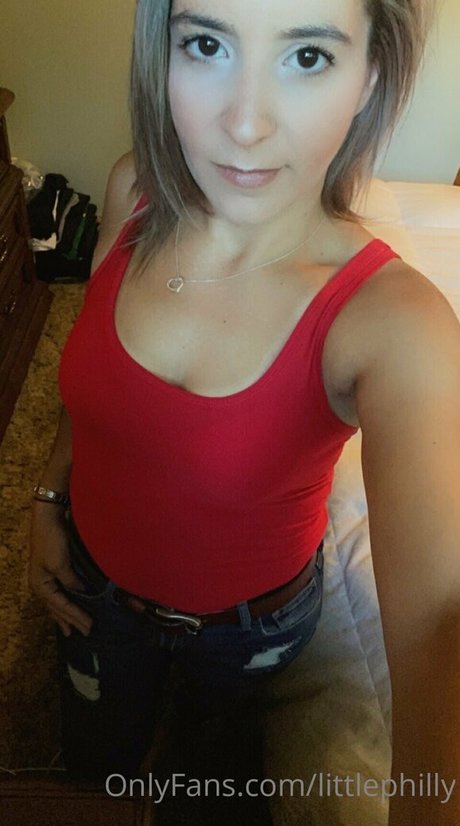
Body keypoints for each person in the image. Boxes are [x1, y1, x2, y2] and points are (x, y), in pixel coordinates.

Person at [29, 0, 460, 822]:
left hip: (248, 631)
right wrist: (49, 499)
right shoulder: (134, 189)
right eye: (205, 43)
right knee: (95, 765)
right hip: (94, 584)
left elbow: (441, 622)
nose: (245, 126)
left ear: (371, 75)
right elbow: (91, 388)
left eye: (307, 57)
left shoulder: (396, 323)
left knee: (210, 773)